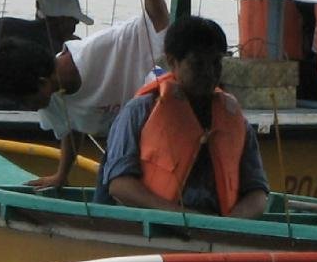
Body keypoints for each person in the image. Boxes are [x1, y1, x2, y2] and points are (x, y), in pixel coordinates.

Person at [0, 0, 170, 190]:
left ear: (42, 83)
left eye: (25, 100)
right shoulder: (51, 97)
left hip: (164, 134)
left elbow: (159, 22)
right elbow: (70, 128)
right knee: (108, 191)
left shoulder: (104, 47)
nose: (30, 108)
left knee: (117, 189)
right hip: (125, 148)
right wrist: (61, 175)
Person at [94, 15, 269, 219]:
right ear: (172, 61)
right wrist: (182, 218)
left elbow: (257, 193)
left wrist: (226, 225)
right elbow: (120, 186)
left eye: (216, 63)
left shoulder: (236, 121)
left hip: (219, 230)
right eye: (198, 64)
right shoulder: (139, 111)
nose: (210, 73)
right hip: (152, 226)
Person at [0, 0, 101, 111]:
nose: (74, 28)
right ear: (61, 20)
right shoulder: (63, 51)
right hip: (15, 114)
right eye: (73, 22)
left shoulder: (0, 24)